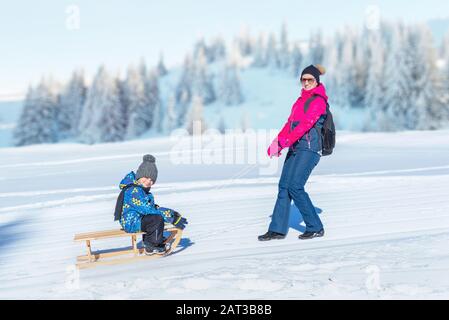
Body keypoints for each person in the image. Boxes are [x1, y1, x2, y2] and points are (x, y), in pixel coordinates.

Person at [259, 64, 328, 241]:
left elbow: (305, 126)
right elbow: (289, 124)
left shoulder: (319, 101)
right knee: (284, 186)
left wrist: (285, 141)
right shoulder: (299, 102)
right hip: (296, 147)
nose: (306, 83)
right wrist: (276, 143)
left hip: (310, 148)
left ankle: (315, 227)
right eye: (303, 80)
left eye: (309, 80)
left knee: (296, 186)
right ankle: (277, 230)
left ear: (316, 81)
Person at [118, 154, 188, 255]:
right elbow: (147, 209)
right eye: (146, 177)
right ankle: (152, 244)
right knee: (156, 219)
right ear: (139, 176)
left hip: (137, 219)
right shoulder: (134, 191)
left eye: (152, 180)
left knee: (155, 218)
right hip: (131, 222)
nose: (148, 182)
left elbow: (151, 208)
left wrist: (172, 214)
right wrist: (170, 216)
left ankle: (153, 239)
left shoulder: (141, 190)